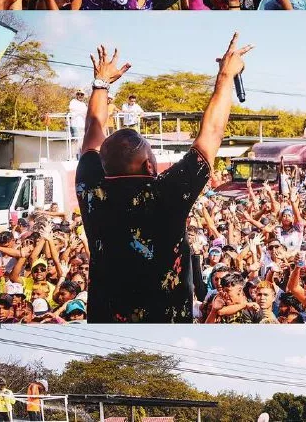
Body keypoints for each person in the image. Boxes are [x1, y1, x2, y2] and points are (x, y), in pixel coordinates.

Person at [76, 33, 252, 323]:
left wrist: (101, 83)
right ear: (149, 165)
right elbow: (211, 134)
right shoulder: (165, 193)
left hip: (105, 322)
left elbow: (91, 134)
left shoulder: (90, 187)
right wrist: (225, 76)